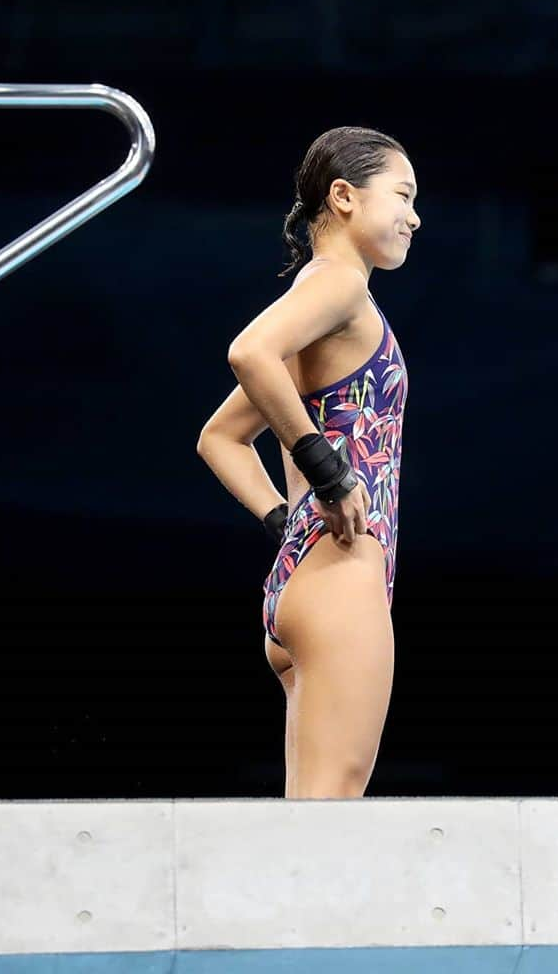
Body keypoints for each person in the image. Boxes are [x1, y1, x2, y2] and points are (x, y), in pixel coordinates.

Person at [196, 127, 419, 800]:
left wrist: (284, 522)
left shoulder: (318, 296)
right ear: (344, 197)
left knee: (310, 820)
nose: (415, 216)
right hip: (342, 579)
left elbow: (220, 438)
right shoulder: (340, 288)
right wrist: (325, 470)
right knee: (329, 821)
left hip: (305, 577)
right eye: (403, 195)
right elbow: (249, 351)